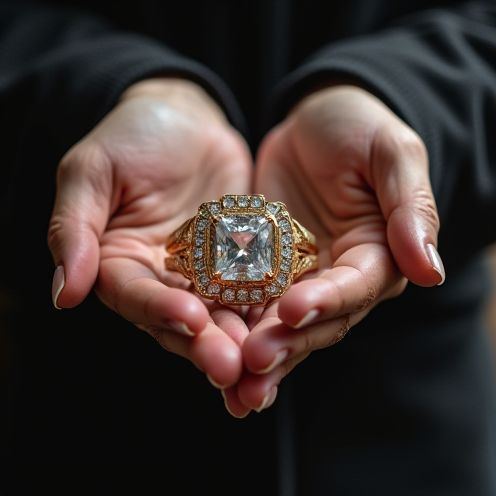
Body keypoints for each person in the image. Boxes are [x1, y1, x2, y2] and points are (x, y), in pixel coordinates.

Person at [1, 0, 495, 493]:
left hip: (411, 428)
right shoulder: (199, 249)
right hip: (91, 419)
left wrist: (403, 95)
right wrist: (107, 88)